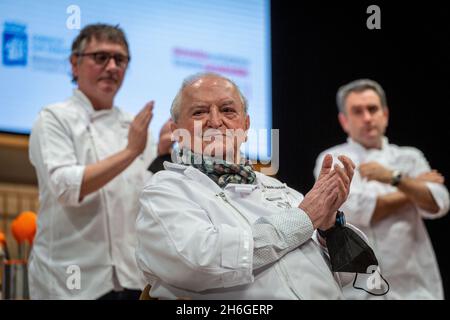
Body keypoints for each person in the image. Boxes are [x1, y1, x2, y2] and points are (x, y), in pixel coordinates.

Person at [135, 72, 375, 300]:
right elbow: (198, 262)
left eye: (228, 110)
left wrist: (330, 228)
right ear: (176, 132)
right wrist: (303, 218)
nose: (216, 121)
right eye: (199, 112)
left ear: (246, 125)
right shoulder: (165, 190)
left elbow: (361, 278)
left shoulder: (284, 191)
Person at [28, 24, 157, 299]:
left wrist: (163, 154)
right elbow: (66, 188)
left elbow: (148, 196)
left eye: (120, 60)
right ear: (75, 64)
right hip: (71, 283)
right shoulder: (54, 118)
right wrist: (131, 152)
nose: (112, 67)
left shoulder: (133, 125)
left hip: (132, 279)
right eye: (101, 58)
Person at [314, 79, 450, 299]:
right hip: (356, 291)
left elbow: (437, 204)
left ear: (385, 114)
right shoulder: (333, 159)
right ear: (344, 121)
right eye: (357, 111)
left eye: (373, 109)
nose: (367, 118)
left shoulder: (410, 156)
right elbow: (358, 210)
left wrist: (392, 177)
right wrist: (411, 187)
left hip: (415, 288)